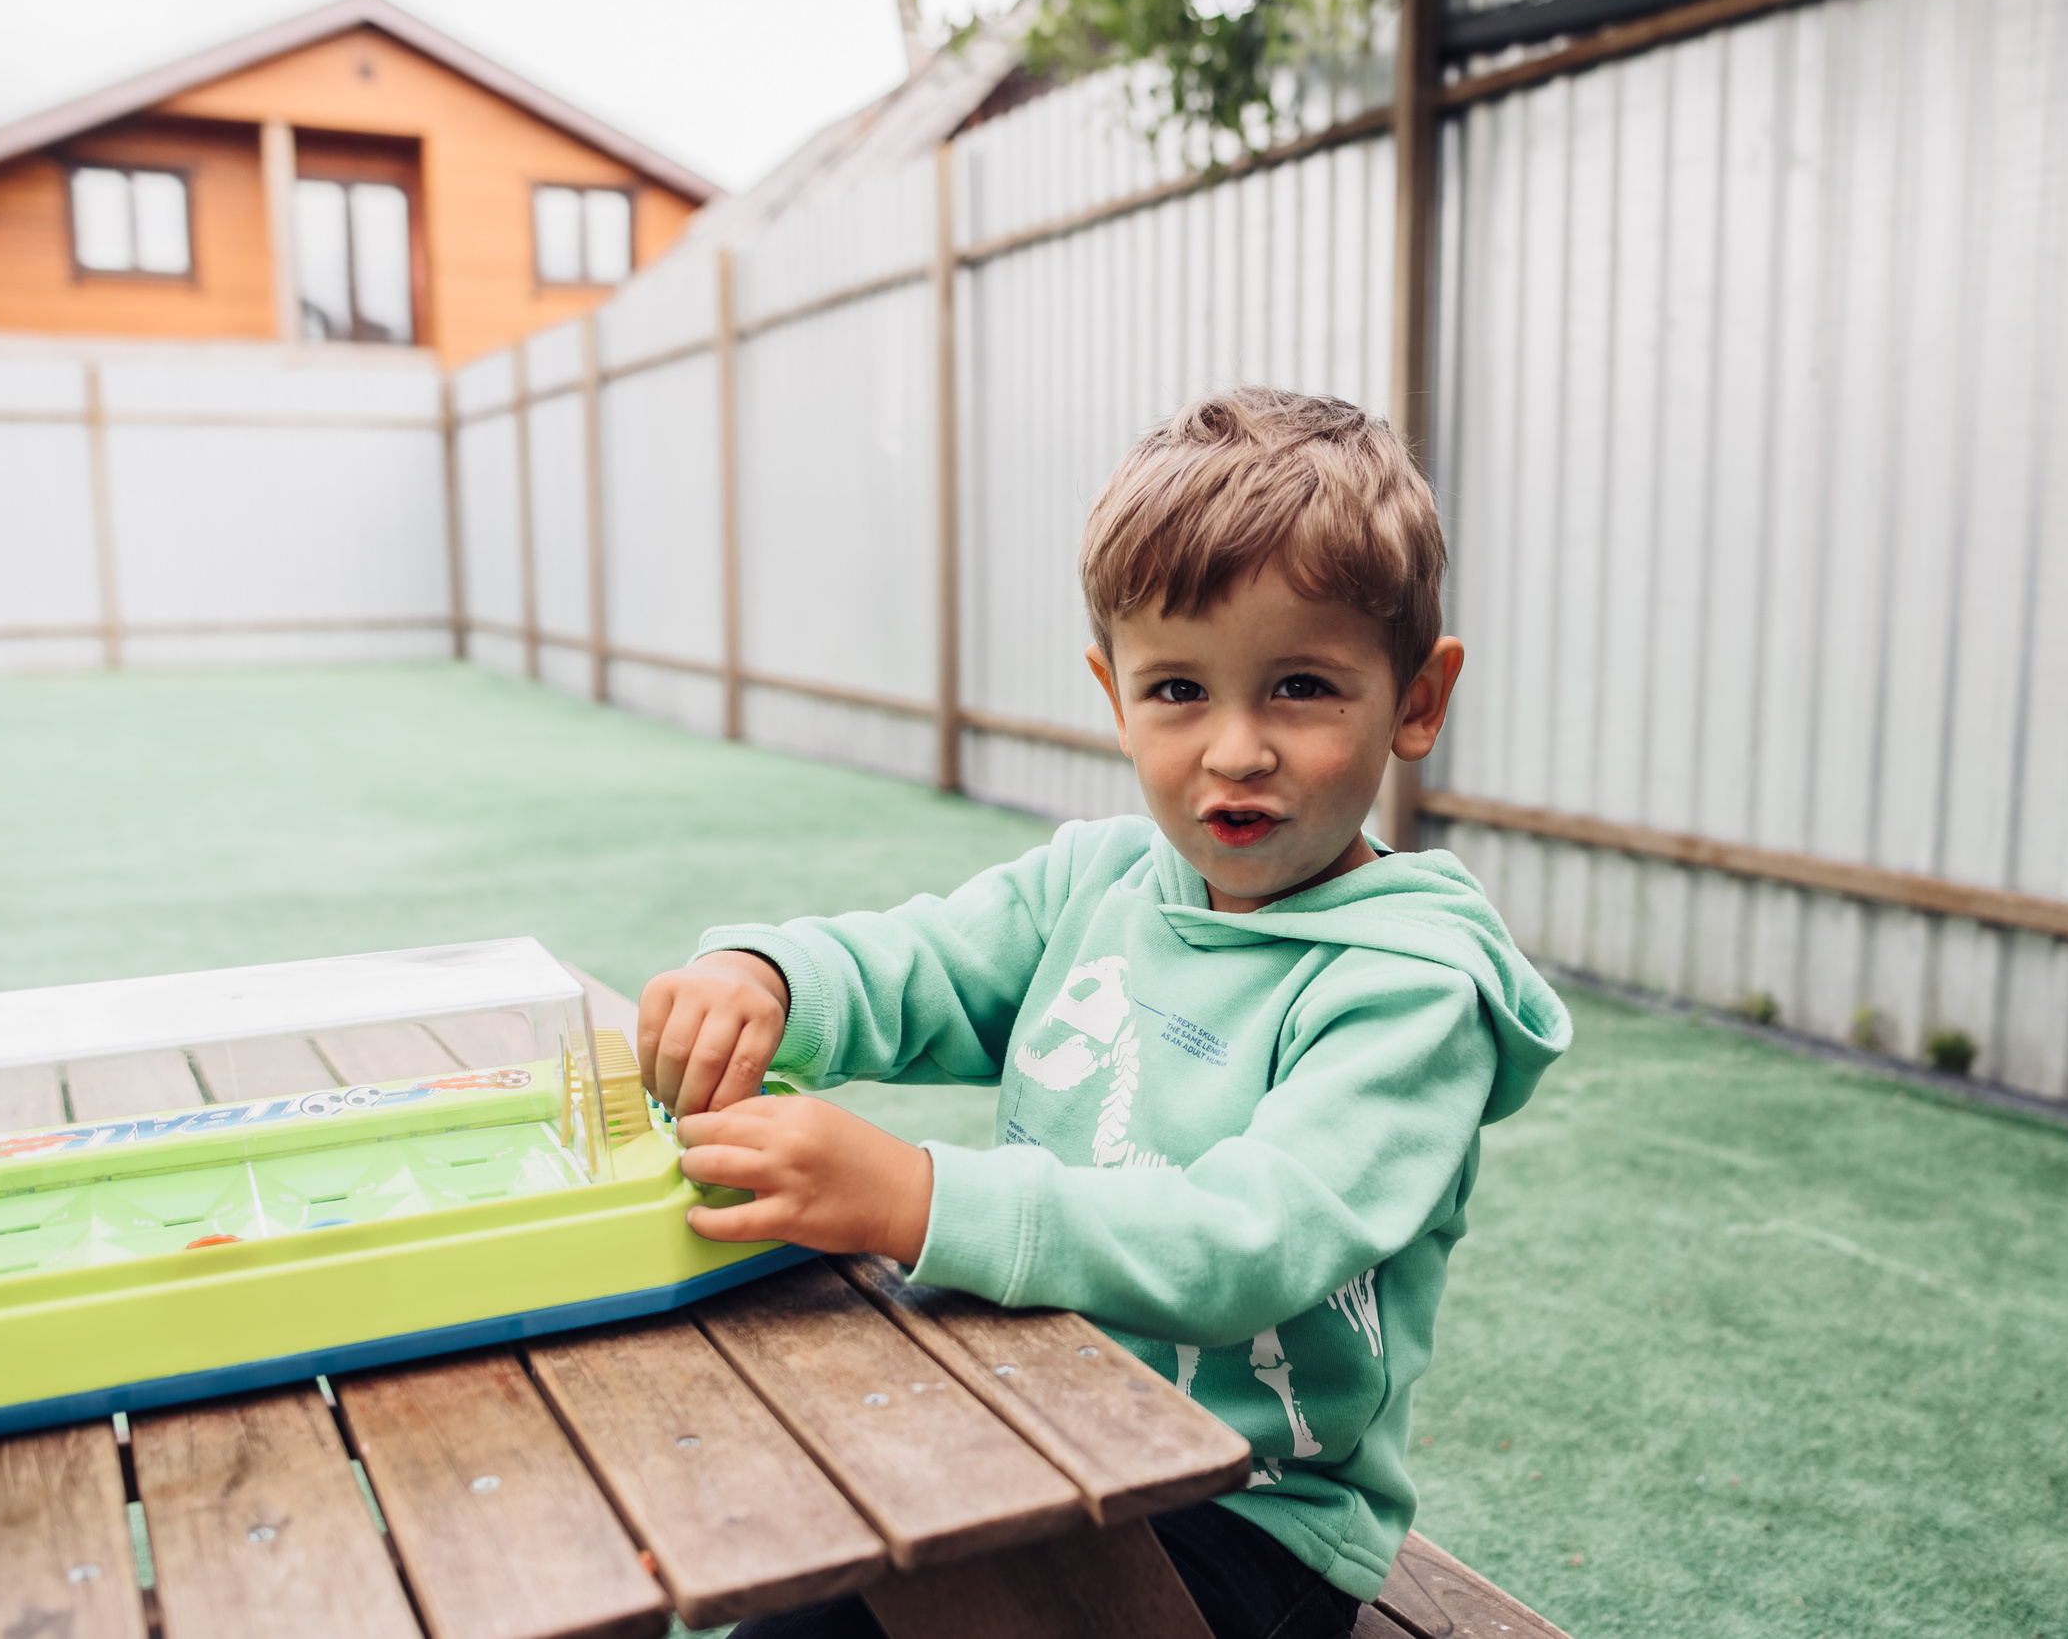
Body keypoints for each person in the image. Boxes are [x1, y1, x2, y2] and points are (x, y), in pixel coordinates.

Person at [637, 386, 1571, 1639]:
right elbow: (923, 962)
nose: (1235, 748)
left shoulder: (1407, 987)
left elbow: (1248, 1240)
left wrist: (922, 1196)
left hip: (1244, 1520)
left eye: (1300, 685)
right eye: (1179, 689)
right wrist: (768, 978)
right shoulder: (1096, 879)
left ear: (1416, 698)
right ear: (1113, 692)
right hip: (1024, 1404)